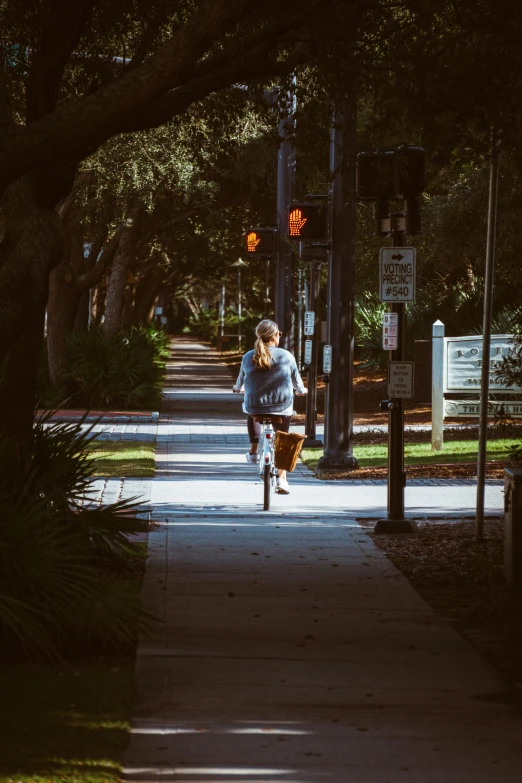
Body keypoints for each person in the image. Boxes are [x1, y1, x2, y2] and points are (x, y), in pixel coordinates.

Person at [232, 319, 307, 495]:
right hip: (282, 406)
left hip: (255, 406)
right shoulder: (287, 356)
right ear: (275, 335)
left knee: (252, 411)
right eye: (279, 334)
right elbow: (297, 382)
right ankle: (282, 478)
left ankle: (253, 451)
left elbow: (240, 382)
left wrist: (237, 389)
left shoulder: (248, 356)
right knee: (282, 436)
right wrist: (302, 391)